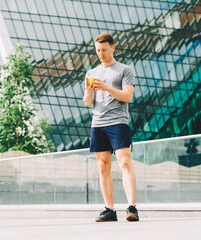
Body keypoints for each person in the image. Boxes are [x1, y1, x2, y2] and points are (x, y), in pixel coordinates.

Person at [83, 32, 139, 222]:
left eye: (104, 50)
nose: (101, 54)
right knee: (103, 166)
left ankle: (131, 207)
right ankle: (109, 210)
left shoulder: (125, 70)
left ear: (113, 48)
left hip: (118, 122)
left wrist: (106, 87)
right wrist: (89, 92)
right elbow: (87, 102)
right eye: (98, 50)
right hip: (98, 123)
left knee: (124, 162)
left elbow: (127, 96)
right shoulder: (91, 73)